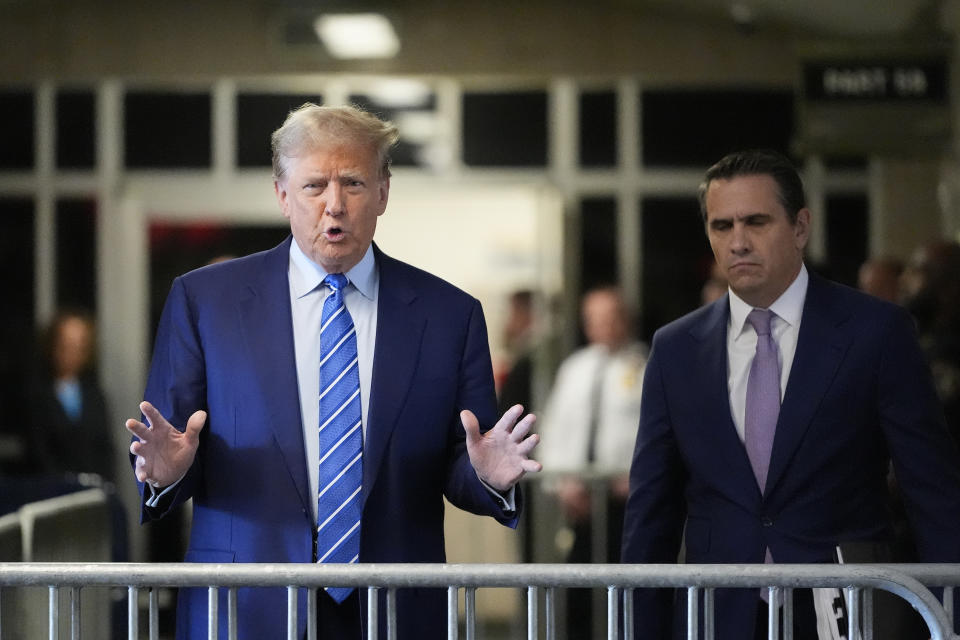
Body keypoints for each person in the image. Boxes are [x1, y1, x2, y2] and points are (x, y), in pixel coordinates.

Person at [124, 104, 541, 640]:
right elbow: (173, 442)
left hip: (393, 609)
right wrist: (166, 474)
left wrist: (486, 477)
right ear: (281, 194)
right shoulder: (205, 302)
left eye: (354, 183)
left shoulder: (448, 315)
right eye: (314, 185)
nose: (334, 206)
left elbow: (465, 456)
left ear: (384, 193)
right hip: (245, 606)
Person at [620, 149, 960, 640]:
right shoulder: (675, 350)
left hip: (845, 609)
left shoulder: (876, 333)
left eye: (756, 222)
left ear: (801, 227)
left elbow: (932, 490)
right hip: (720, 616)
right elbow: (651, 514)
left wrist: (948, 619)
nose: (737, 242)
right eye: (721, 226)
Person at [537, 286, 647, 638]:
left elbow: (654, 436)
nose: (604, 326)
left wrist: (638, 479)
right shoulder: (575, 368)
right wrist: (562, 483)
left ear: (626, 319)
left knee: (628, 589)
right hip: (580, 505)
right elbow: (554, 430)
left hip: (626, 502)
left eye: (611, 317)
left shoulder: (646, 365)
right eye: (596, 319)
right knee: (579, 592)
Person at [27, 309, 113, 481]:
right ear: (53, 345)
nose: (71, 353)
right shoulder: (37, 395)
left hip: (93, 489)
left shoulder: (94, 394)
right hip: (52, 490)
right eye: (65, 345)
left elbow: (104, 447)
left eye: (79, 346)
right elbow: (38, 451)